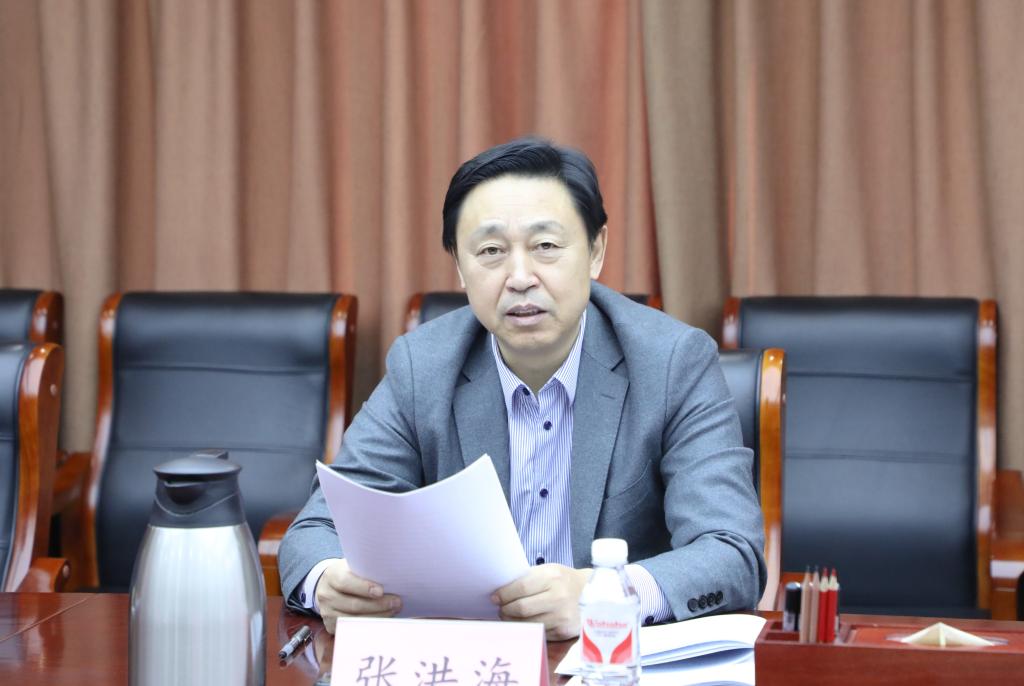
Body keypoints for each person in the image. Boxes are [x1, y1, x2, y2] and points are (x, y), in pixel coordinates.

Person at [278, 137, 765, 639]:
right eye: (491, 251)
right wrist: (327, 581)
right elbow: (317, 529)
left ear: (595, 251)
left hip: (610, 662)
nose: (519, 277)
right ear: (459, 267)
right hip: (469, 657)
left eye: (545, 246)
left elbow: (731, 552)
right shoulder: (423, 367)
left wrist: (606, 595)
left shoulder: (671, 363)